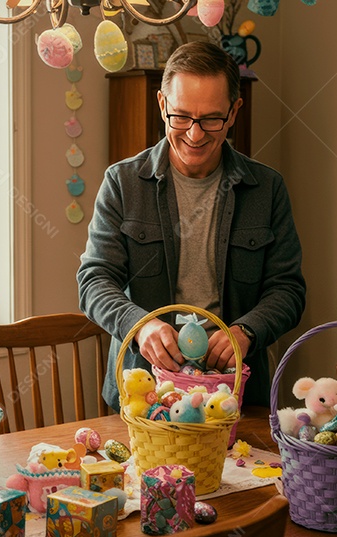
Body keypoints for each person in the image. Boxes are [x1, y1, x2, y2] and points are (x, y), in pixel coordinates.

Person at [77, 42, 307, 410]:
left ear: (234, 112)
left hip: (236, 393)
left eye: (211, 119)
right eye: (181, 116)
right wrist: (141, 326)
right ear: (162, 105)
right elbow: (94, 281)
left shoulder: (267, 189)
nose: (195, 135)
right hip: (143, 393)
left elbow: (288, 291)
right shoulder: (122, 183)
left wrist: (246, 332)